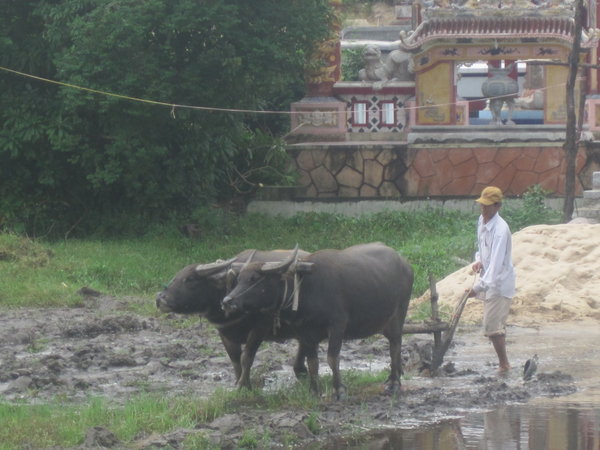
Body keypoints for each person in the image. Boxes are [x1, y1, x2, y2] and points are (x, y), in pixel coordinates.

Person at [467, 186, 516, 373]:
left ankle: (504, 365)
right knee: (494, 325)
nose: (483, 210)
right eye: (482, 205)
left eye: (487, 206)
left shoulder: (501, 230)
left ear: (497, 206)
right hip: (488, 279)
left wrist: (478, 288)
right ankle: (503, 363)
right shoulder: (481, 221)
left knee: (492, 326)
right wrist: (478, 260)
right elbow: (482, 247)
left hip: (499, 283)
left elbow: (495, 265)